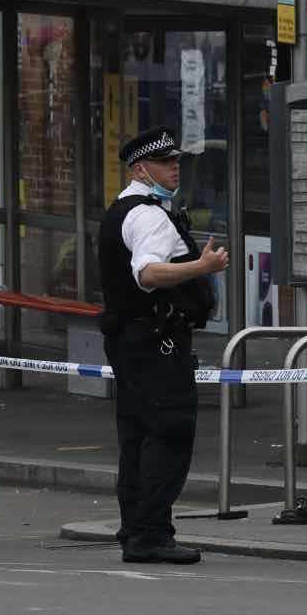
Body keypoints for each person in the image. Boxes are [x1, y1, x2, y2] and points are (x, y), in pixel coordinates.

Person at [97, 127, 229, 565]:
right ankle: (151, 534)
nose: (175, 168)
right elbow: (148, 274)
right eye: (164, 162)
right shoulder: (147, 215)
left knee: (137, 437)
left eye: (176, 161)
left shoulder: (124, 208)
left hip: (132, 339)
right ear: (140, 169)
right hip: (155, 341)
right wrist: (202, 266)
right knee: (168, 433)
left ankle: (137, 532)